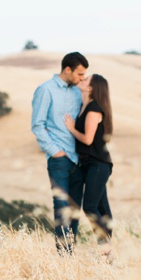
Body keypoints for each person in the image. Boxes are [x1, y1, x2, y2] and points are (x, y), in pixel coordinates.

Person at [31, 52, 89, 254]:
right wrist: (56, 152)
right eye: (80, 74)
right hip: (59, 160)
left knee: (75, 210)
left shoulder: (77, 92)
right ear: (67, 69)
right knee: (61, 207)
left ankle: (70, 255)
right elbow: (37, 125)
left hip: (79, 160)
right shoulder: (45, 90)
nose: (82, 78)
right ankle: (63, 256)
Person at [64, 73, 114, 252]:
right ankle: (108, 254)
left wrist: (71, 129)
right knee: (102, 208)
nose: (82, 79)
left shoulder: (93, 109)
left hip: (98, 164)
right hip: (89, 164)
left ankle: (105, 246)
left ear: (91, 88)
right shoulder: (84, 105)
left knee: (90, 206)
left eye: (86, 80)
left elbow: (87, 139)